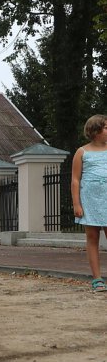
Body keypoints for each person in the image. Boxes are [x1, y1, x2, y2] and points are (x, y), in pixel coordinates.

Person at [71, 114, 107, 293]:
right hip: (90, 201)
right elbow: (75, 180)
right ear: (95, 131)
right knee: (92, 238)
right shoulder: (82, 152)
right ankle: (97, 279)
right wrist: (76, 204)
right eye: (106, 127)